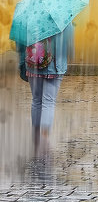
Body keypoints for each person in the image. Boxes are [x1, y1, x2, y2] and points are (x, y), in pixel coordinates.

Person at [17, 24, 75, 154]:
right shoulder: (63, 19)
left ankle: (36, 136)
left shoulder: (29, 18)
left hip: (33, 64)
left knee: (36, 101)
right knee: (48, 102)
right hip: (55, 66)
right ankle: (44, 137)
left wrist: (22, 63)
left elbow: (20, 44)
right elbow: (69, 46)